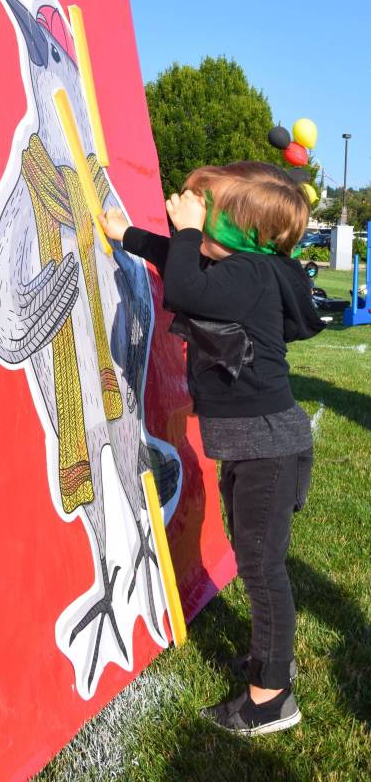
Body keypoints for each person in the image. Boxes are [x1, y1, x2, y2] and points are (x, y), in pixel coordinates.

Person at [99, 161, 324, 736]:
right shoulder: (249, 269)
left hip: (267, 450)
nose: (188, 209)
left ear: (235, 229)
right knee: (258, 559)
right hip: (258, 447)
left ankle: (271, 697)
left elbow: (184, 284)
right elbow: (185, 266)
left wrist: (188, 228)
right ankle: (270, 659)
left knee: (261, 567)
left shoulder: (246, 276)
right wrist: (128, 235)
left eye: (204, 207)